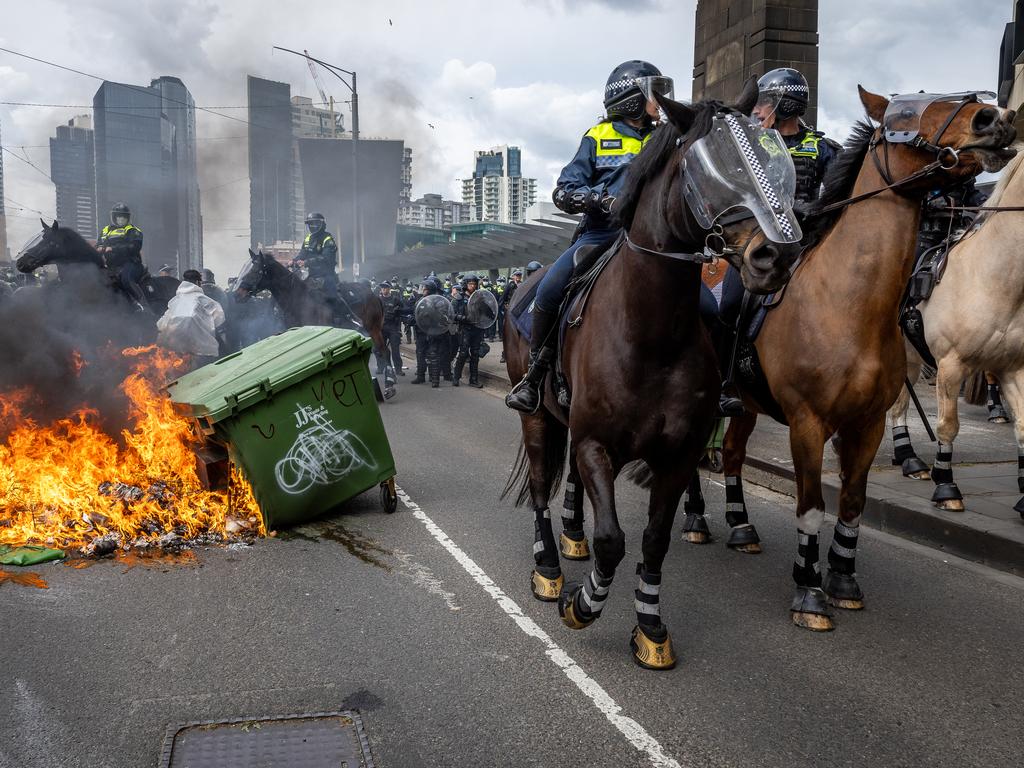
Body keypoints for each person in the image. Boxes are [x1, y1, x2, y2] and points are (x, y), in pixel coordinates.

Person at [506, 60, 672, 413]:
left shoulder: (667, 137)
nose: (662, 101)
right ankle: (536, 376)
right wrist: (598, 198)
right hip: (601, 234)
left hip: (656, 240)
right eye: (654, 93)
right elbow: (565, 190)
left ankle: (719, 380)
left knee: (706, 300)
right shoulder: (597, 137)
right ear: (631, 97)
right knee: (550, 289)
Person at [708, 67, 843, 417]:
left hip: (809, 242)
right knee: (729, 304)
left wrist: (813, 209)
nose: (759, 108)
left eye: (766, 102)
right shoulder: (752, 142)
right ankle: (725, 381)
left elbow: (842, 193)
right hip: (763, 241)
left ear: (786, 103)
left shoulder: (822, 147)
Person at [157, 269, 226, 369]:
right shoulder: (203, 299)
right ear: (198, 282)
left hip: (175, 350)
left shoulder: (175, 301)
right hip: (201, 351)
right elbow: (219, 318)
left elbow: (161, 324)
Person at [96, 202, 147, 311]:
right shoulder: (105, 230)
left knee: (126, 279)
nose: (121, 219)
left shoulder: (133, 231)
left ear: (128, 218)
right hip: (112, 266)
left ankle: (141, 304)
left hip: (131, 264)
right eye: (118, 217)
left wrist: (113, 248)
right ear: (114, 217)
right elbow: (99, 244)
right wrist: (98, 248)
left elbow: (134, 247)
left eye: (123, 217)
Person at [295, 212, 339, 303]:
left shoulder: (328, 239)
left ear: (321, 224)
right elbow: (302, 254)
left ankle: (339, 314)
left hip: (326, 275)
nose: (312, 226)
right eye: (310, 224)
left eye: (314, 223)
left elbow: (326, 258)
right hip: (310, 275)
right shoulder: (308, 239)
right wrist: (293, 261)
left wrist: (306, 262)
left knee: (332, 299)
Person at [411, 277, 446, 388]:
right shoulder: (419, 300)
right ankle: (420, 376)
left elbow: (442, 316)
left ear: (430, 289)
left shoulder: (438, 301)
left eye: (425, 289)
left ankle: (434, 379)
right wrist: (410, 320)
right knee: (420, 354)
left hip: (432, 331)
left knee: (433, 354)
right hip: (420, 331)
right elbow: (415, 314)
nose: (423, 290)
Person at [452, 273, 486, 388]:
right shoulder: (459, 298)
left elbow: (486, 312)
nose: (473, 286)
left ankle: (474, 380)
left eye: (474, 284)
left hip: (477, 329)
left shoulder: (479, 297)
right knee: (463, 353)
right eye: (470, 284)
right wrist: (464, 318)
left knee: (475, 354)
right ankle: (456, 377)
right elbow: (451, 314)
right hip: (465, 329)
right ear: (465, 284)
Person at [377, 280, 405, 376]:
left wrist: (397, 311)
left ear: (389, 289)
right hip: (382, 327)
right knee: (381, 349)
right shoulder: (378, 300)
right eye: (382, 287)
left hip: (393, 327)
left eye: (385, 287)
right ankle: (381, 368)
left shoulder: (396, 299)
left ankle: (398, 369)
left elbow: (404, 310)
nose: (384, 289)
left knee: (395, 350)